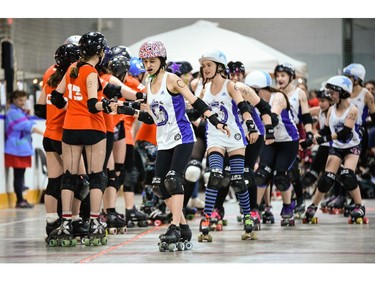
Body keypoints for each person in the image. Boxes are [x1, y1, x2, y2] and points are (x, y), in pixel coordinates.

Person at [138, 41, 229, 250]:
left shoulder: (172, 79)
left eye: (152, 61)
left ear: (162, 61)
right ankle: (184, 226)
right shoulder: (147, 81)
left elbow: (196, 102)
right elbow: (153, 115)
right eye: (145, 61)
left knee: (173, 180)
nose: (148, 65)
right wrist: (127, 110)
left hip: (183, 136)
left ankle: (174, 226)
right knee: (159, 186)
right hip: (164, 139)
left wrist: (216, 121)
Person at [48, 31, 121, 246]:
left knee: (69, 176)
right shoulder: (90, 71)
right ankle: (95, 222)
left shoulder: (72, 68)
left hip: (70, 128)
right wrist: (107, 105)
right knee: (97, 176)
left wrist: (69, 108)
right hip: (93, 128)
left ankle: (67, 222)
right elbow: (92, 104)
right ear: (99, 52)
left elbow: (57, 97)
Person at [197, 48, 259, 241]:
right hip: (214, 136)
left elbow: (243, 106)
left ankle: (248, 217)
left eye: (209, 65)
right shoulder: (204, 88)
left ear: (219, 67)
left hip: (234, 137)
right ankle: (207, 218)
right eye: (203, 66)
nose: (205, 69)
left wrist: (250, 126)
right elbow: (197, 111)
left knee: (238, 180)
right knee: (214, 175)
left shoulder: (230, 85)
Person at [35, 42, 91, 240]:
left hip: (48, 135)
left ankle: (51, 223)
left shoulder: (50, 75)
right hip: (64, 136)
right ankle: (74, 219)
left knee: (54, 182)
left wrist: (52, 116)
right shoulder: (73, 78)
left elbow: (39, 108)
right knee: (80, 180)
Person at [303, 75, 368, 224]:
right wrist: (311, 139)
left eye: (332, 92)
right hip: (337, 147)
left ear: (343, 92)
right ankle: (313, 206)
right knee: (327, 179)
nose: (329, 95)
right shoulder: (331, 110)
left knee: (347, 175)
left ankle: (359, 206)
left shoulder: (353, 110)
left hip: (352, 146)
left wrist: (323, 139)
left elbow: (345, 132)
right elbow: (325, 130)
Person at [247, 70, 300, 226]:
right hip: (269, 141)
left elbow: (273, 119)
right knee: (262, 174)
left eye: (251, 91)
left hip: (288, 141)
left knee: (280, 176)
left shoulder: (277, 97)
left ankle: (288, 206)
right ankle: (254, 209)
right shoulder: (251, 102)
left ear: (259, 89)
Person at [274, 63, 314, 218]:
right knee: (276, 170)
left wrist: (309, 134)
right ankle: (271, 204)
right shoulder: (275, 93)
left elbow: (306, 115)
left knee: (292, 169)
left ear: (290, 77)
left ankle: (299, 200)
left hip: (294, 133)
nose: (279, 79)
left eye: (283, 75)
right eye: (277, 76)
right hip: (276, 134)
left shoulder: (299, 93)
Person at [166, 60, 205, 213]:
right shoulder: (183, 90)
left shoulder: (194, 86)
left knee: (212, 174)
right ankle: (181, 207)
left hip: (211, 133)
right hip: (193, 134)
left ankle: (214, 208)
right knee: (190, 171)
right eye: (187, 74)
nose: (190, 77)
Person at [5, 90, 44, 208]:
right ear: (13, 100)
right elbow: (28, 126)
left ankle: (20, 198)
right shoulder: (12, 112)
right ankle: (20, 200)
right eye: (20, 100)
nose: (23, 102)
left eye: (24, 100)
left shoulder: (20, 112)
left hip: (22, 148)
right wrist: (45, 133)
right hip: (16, 148)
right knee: (19, 175)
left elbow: (29, 123)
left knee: (20, 175)